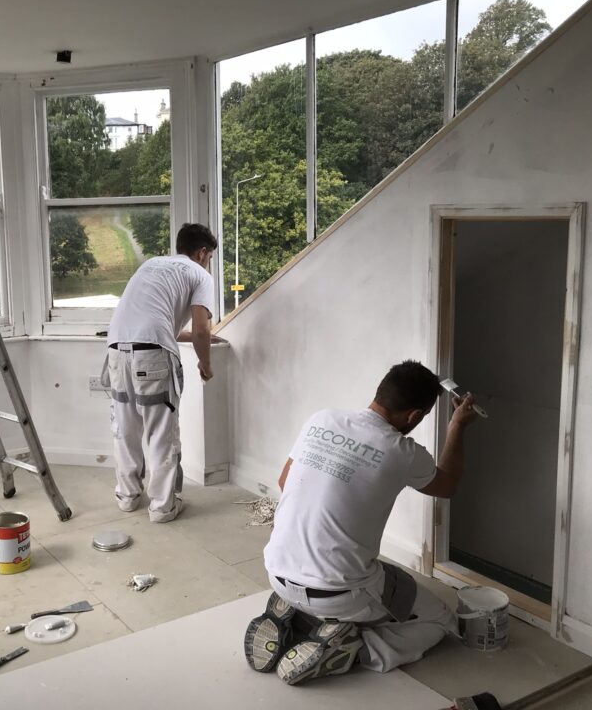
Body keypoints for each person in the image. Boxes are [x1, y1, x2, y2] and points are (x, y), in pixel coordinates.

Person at [243, 360, 478, 685]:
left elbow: (285, 482)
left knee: (387, 577)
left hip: (277, 572)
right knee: (439, 620)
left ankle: (299, 619)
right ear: (414, 416)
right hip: (338, 592)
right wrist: (457, 426)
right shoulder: (403, 451)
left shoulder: (322, 419)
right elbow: (447, 485)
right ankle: (352, 649)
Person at [102, 222, 219, 523]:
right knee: (161, 431)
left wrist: (193, 337)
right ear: (202, 252)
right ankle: (162, 507)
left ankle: (127, 497)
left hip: (116, 349)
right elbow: (201, 329)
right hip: (152, 355)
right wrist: (205, 365)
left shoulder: (152, 264)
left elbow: (154, 322)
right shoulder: (199, 274)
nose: (208, 262)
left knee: (125, 427)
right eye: (210, 257)